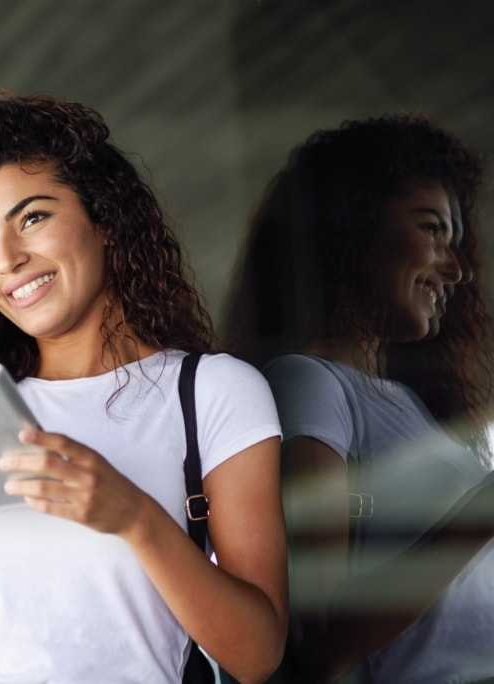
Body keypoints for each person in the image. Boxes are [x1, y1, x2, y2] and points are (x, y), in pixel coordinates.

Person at [0, 90, 288, 684]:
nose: (8, 260)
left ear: (107, 223)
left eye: (34, 218)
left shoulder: (212, 393)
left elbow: (257, 654)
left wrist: (135, 517)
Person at [222, 114, 494, 683]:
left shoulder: (407, 403)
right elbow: (321, 640)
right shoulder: (307, 382)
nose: (458, 269)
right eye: (432, 230)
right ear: (352, 227)